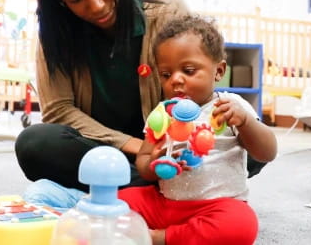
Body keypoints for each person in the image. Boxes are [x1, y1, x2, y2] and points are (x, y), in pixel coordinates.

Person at [15, 0, 267, 201]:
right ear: (59, 0)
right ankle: (165, 190)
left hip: (170, 144)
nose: (96, 5)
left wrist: (180, 143)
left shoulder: (168, 12)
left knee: (251, 142)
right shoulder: (55, 36)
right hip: (106, 148)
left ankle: (113, 189)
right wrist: (137, 148)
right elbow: (59, 112)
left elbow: (195, 93)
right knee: (34, 145)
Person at [117, 15, 278, 245]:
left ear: (219, 71)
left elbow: (267, 152)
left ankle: (162, 237)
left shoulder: (229, 106)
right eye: (166, 74)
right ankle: (179, 233)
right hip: (165, 205)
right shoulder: (162, 114)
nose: (176, 80)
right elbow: (143, 162)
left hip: (217, 206)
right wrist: (154, 160)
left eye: (189, 70)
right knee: (118, 200)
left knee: (242, 224)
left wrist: (246, 123)